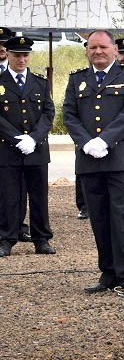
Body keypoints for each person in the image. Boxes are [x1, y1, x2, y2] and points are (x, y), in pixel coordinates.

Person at [62, 30, 124, 298]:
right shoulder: (78, 79)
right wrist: (86, 142)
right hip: (89, 158)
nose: (97, 51)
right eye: (92, 47)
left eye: (102, 47)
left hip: (121, 156)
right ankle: (108, 272)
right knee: (99, 217)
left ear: (113, 49)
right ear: (87, 50)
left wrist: (105, 140)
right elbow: (69, 113)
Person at [0, 35, 55, 256]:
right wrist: (16, 138)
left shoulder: (40, 82)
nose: (22, 60)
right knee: (9, 196)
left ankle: (41, 239)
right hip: (7, 149)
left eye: (25, 55)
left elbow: (48, 112)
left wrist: (33, 138)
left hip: (37, 149)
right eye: (17, 55)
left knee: (39, 196)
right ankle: (6, 238)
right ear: (9, 55)